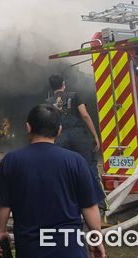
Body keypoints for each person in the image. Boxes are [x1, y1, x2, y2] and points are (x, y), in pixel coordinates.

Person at [0, 104, 106, 258]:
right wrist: (96, 238)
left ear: (28, 127)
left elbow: (4, 203)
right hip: (70, 250)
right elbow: (89, 206)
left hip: (30, 250)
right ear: (59, 131)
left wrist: (1, 231)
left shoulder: (11, 160)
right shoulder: (76, 161)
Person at [46, 74, 107, 215]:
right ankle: (99, 205)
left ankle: (63, 205)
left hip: (59, 138)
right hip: (79, 137)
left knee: (61, 172)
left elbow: (47, 123)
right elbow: (84, 115)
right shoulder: (75, 96)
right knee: (89, 168)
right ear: (63, 83)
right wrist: (95, 136)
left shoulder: (47, 102)